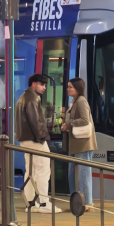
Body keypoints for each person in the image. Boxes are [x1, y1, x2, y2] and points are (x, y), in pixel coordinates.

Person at [17, 74, 60, 214]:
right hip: (35, 140)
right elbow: (35, 121)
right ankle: (43, 203)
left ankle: (30, 203)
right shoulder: (32, 99)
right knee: (43, 170)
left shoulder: (23, 97)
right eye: (42, 85)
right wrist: (42, 138)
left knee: (30, 171)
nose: (44, 88)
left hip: (25, 139)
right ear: (34, 84)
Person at [62, 78, 96, 209]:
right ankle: (76, 201)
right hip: (75, 142)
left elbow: (85, 120)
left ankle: (86, 203)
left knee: (83, 173)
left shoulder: (81, 101)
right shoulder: (73, 101)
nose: (68, 89)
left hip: (83, 143)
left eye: (70, 87)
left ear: (77, 88)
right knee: (74, 173)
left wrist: (69, 124)